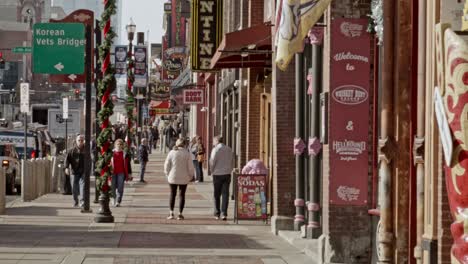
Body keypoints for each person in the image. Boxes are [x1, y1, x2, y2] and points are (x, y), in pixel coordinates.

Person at [164, 138, 195, 220]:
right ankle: (180, 214)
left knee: (172, 194)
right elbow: (190, 167)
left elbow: (166, 165)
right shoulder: (187, 153)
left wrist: (167, 174)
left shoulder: (172, 152)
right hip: (184, 177)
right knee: (182, 195)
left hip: (173, 177)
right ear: (184, 144)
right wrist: (191, 176)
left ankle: (171, 213)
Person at [209, 136, 233, 220]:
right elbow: (232, 160)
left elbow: (212, 162)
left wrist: (211, 171)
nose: (213, 143)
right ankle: (224, 213)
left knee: (216, 194)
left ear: (217, 141)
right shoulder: (229, 149)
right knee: (225, 194)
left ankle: (217, 213)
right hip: (227, 174)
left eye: (213, 141)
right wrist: (230, 170)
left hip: (217, 174)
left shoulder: (215, 149)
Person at [64, 135, 86, 208]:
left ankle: (82, 202)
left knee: (83, 186)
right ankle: (75, 201)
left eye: (82, 140)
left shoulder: (86, 150)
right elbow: (67, 160)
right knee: (74, 187)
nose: (80, 142)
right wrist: (66, 168)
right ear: (76, 141)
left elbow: (90, 160)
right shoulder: (71, 150)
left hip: (83, 171)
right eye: (79, 140)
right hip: (74, 171)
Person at [111, 139, 129, 207]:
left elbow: (128, 164)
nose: (119, 145)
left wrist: (128, 174)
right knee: (112, 187)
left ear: (122, 146)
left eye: (121, 144)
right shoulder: (112, 153)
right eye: (118, 144)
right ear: (115, 145)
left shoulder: (124, 154)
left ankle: (118, 201)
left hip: (121, 173)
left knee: (120, 187)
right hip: (113, 172)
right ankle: (113, 198)